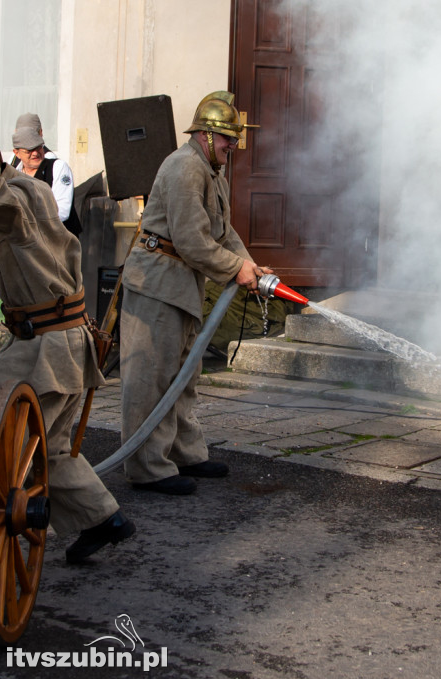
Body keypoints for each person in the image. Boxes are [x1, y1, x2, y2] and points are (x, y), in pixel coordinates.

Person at [119, 90, 269, 495]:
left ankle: (184, 453)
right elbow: (191, 241)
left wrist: (249, 266)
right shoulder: (186, 168)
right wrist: (236, 269)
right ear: (205, 135)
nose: (233, 146)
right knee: (152, 376)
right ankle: (147, 467)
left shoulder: (209, 170)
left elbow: (222, 232)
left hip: (181, 283)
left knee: (184, 374)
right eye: (227, 139)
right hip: (158, 285)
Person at [0, 145, 135, 563]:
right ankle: (103, 519)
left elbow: (8, 213)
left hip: (46, 348)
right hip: (64, 339)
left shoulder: (14, 199)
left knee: (8, 437)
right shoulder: (30, 188)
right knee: (49, 448)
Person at [11, 122, 82, 236]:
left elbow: (62, 211)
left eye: (38, 147)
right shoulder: (13, 174)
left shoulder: (58, 167)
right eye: (28, 150)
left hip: (58, 241)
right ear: (17, 153)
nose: (35, 153)